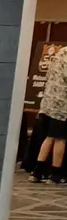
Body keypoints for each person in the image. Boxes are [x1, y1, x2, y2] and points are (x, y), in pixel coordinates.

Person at [31, 45, 67, 183]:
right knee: (60, 139)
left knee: (49, 137)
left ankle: (37, 171)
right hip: (62, 105)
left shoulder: (60, 52)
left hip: (48, 103)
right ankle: (56, 174)